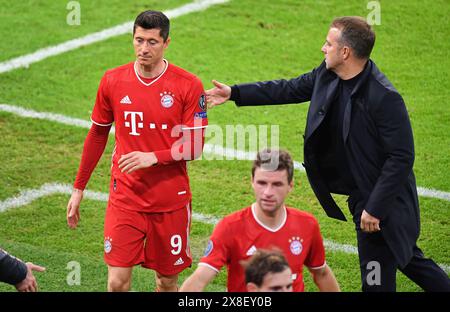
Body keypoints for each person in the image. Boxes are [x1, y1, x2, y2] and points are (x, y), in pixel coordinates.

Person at [205, 16, 450, 292]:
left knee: (388, 271)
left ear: (345, 52)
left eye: (328, 43)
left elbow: (402, 157)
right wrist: (235, 92)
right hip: (362, 198)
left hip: (384, 203)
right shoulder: (328, 73)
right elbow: (290, 87)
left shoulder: (384, 98)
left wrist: (375, 208)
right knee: (403, 262)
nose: (323, 48)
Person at [66, 10, 208, 292]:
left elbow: (194, 146)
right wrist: (79, 188)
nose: (144, 49)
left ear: (166, 43)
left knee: (166, 282)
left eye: (152, 42)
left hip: (170, 200)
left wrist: (153, 157)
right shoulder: (112, 81)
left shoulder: (188, 85)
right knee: (117, 282)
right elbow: (97, 134)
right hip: (125, 197)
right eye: (139, 40)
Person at [180, 149, 340, 292]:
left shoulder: (307, 225)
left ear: (290, 186)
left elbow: (321, 273)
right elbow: (200, 278)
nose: (268, 192)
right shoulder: (230, 227)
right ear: (252, 182)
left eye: (277, 184)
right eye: (262, 183)